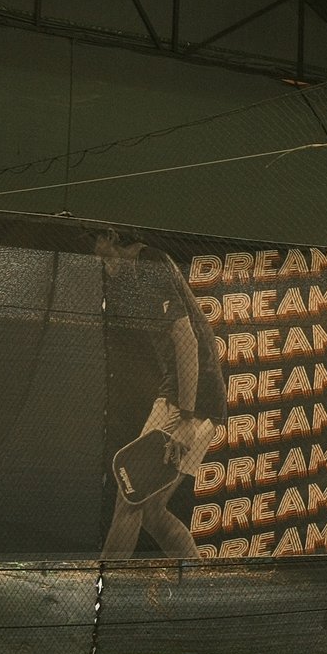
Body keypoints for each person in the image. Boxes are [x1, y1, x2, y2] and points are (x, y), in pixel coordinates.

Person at [95, 231, 226, 560]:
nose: (101, 263)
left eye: (103, 254)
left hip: (190, 402)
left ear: (111, 237)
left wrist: (185, 419)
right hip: (188, 398)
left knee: (130, 498)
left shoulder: (149, 264)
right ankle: (197, 583)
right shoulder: (139, 271)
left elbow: (188, 340)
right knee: (151, 511)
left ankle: (106, 593)